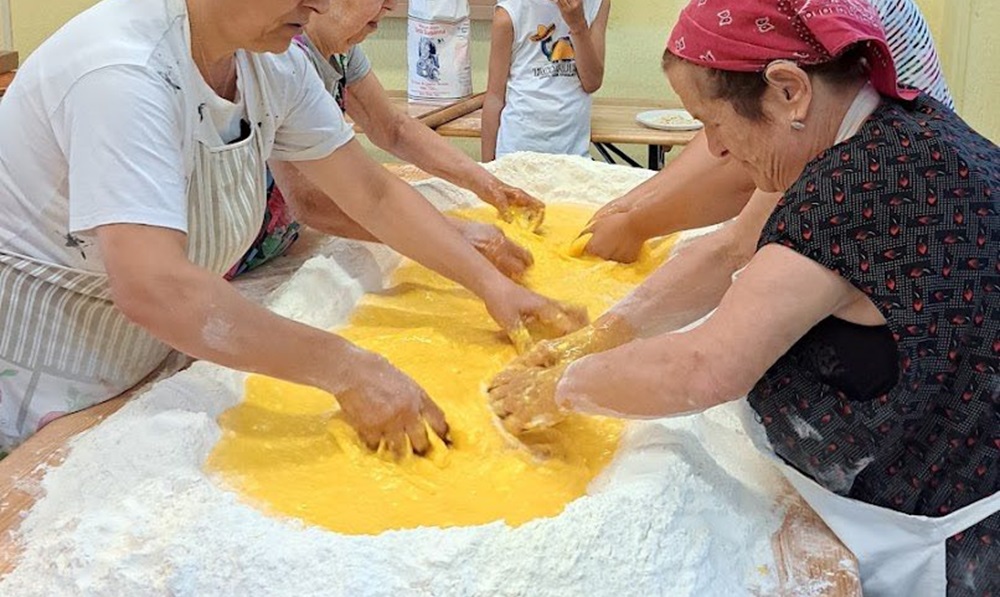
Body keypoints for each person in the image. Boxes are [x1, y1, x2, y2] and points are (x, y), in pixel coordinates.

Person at [488, 1, 999, 594]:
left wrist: (559, 387)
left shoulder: (857, 188)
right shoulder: (890, 130)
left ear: (789, 91)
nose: (717, 150)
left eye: (713, 123)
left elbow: (703, 368)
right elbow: (733, 249)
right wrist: (608, 331)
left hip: (939, 542)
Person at [0, 0, 586, 455]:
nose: (318, 2)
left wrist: (493, 287)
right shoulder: (122, 72)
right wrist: (349, 370)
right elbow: (155, 285)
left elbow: (373, 193)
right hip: (40, 375)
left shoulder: (266, 58)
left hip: (141, 351)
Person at [582, 0, 954, 264]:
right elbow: (729, 115)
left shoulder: (827, 132)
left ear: (791, 90)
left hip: (911, 206)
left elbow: (750, 181)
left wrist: (637, 225)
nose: (716, 142)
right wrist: (632, 204)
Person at [229, 0, 546, 282]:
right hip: (228, 258)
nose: (391, 5)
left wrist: (489, 186)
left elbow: (394, 129)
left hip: (273, 248)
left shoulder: (340, 51)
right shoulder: (283, 57)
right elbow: (312, 201)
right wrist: (454, 235)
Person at [482, 0, 611, 161]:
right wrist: (487, 170)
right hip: (517, 151)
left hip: (573, 154)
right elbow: (494, 97)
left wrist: (578, 25)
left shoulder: (597, 4)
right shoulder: (509, 12)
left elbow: (592, 82)